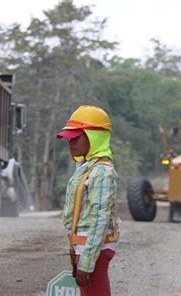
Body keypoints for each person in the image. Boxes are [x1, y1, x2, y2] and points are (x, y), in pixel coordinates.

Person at [56, 105, 119, 296]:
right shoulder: (86, 167)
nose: (70, 143)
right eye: (69, 139)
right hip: (86, 249)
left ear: (94, 138)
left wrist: (87, 261)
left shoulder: (102, 171)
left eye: (76, 138)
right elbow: (78, 215)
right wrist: (74, 250)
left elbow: (100, 218)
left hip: (94, 251)